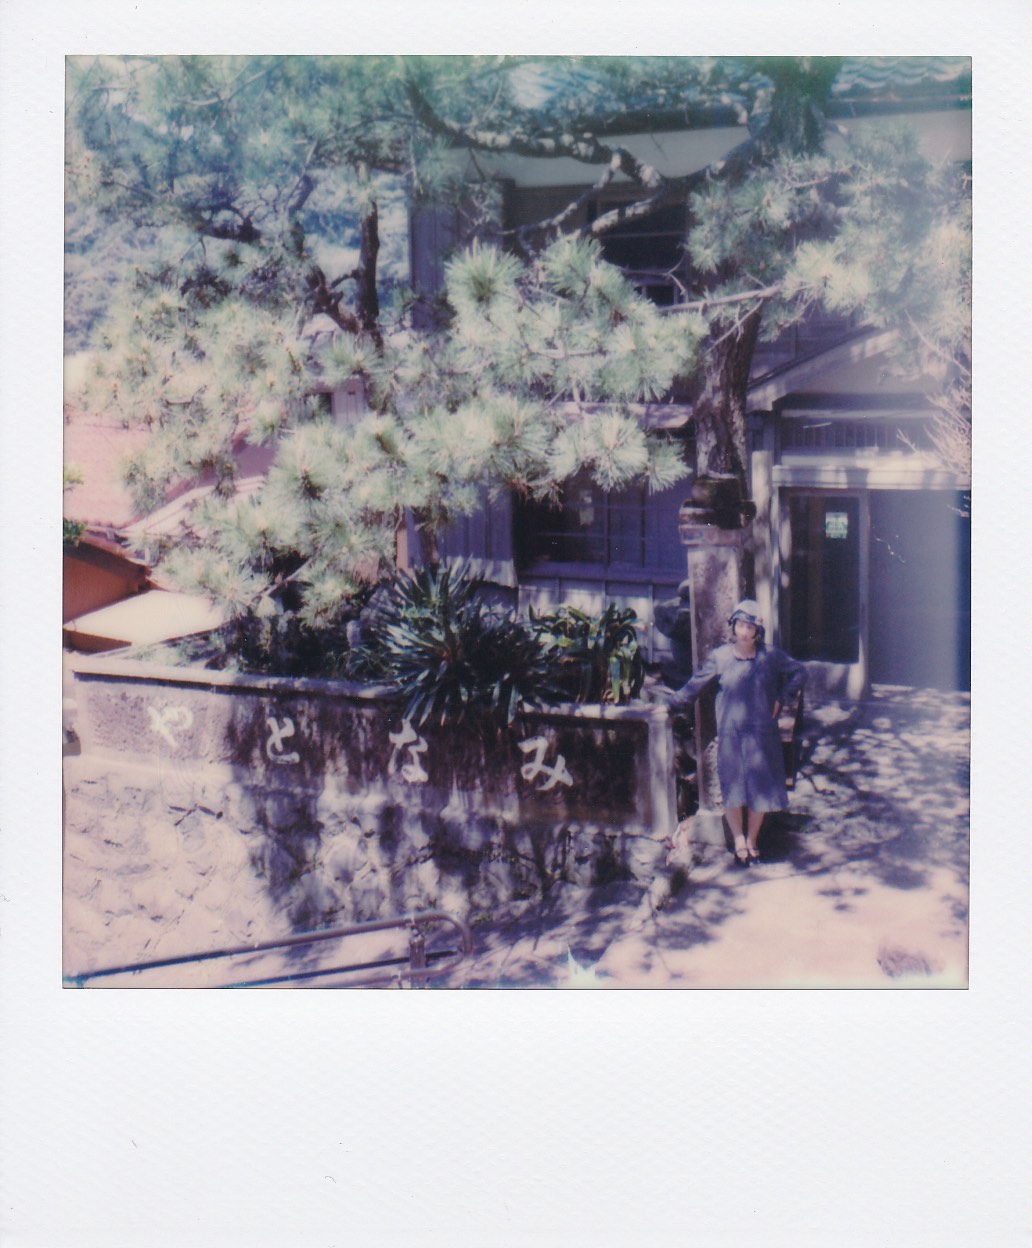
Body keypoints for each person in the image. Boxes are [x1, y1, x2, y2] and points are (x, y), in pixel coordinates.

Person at [667, 598, 805, 866]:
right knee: (734, 791)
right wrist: (671, 704)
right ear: (733, 626)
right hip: (731, 737)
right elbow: (695, 686)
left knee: (759, 792)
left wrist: (782, 696)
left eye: (749, 627)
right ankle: (739, 841)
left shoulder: (770, 657)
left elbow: (799, 672)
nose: (744, 632)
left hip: (762, 737)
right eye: (740, 625)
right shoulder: (720, 657)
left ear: (757, 630)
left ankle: (752, 841)